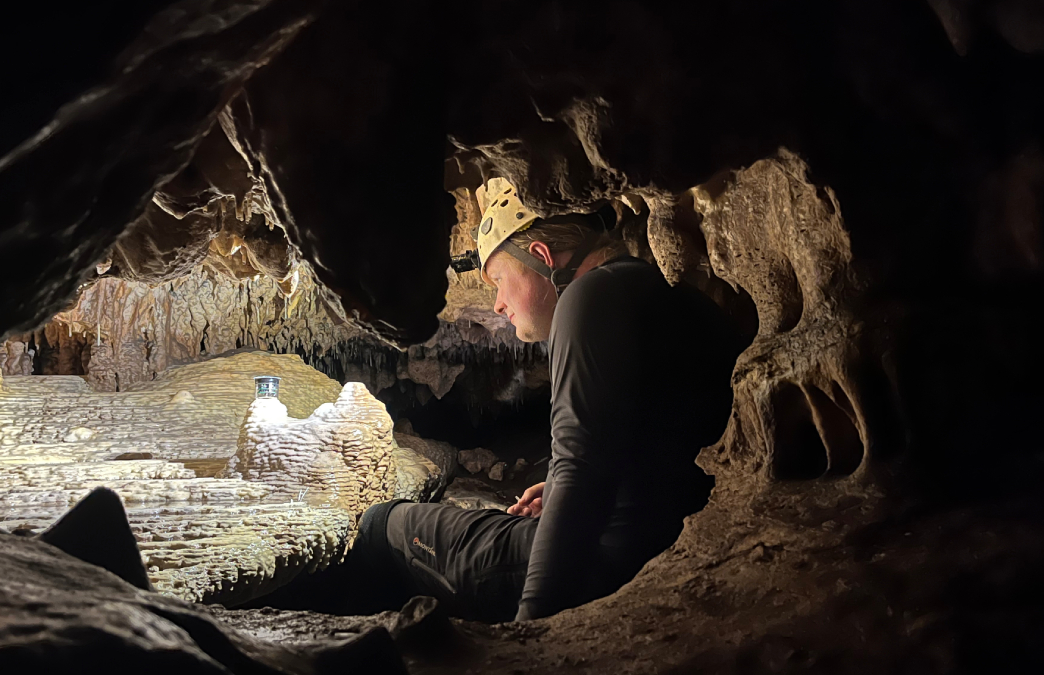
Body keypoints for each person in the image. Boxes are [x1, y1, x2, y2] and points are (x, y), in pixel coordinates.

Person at [251, 179, 743, 622]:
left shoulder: (588, 298)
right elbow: (653, 438)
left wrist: (537, 626)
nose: (497, 304)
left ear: (542, 256)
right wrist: (558, 487)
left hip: (599, 561)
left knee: (384, 525)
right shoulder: (661, 290)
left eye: (500, 281)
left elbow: (580, 469)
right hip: (659, 537)